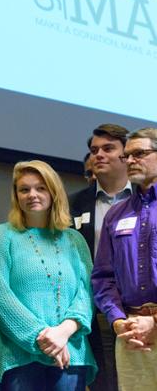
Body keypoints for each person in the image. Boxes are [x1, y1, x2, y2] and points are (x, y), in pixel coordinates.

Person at [0, 160, 97, 390]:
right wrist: (46, 339)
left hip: (71, 352)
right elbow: (0, 298)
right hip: (20, 357)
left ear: (53, 192)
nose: (32, 194)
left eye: (40, 188)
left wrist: (64, 332)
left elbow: (86, 293)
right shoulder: (1, 236)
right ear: (16, 196)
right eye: (24, 189)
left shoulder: (75, 240)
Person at [92, 127, 157, 390]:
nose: (130, 161)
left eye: (139, 154)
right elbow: (103, 277)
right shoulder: (116, 214)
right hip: (131, 335)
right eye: (127, 156)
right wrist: (119, 321)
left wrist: (154, 323)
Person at [69, 123, 132, 391]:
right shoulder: (73, 204)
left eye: (108, 148)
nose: (99, 155)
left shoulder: (147, 200)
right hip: (94, 312)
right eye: (95, 150)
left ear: (126, 156)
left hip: (141, 309)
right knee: (104, 384)